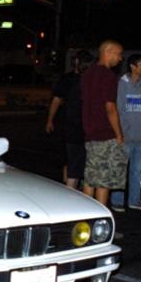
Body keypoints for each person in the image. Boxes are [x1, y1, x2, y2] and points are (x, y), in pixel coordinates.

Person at [81, 40, 127, 209]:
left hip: (90, 133)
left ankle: (87, 213)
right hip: (105, 134)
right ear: (108, 51)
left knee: (91, 177)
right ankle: (101, 216)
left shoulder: (88, 74)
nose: (120, 58)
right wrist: (119, 134)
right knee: (104, 180)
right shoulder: (108, 76)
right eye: (119, 54)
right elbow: (110, 108)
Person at [110, 54, 141, 212]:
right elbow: (118, 110)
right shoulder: (121, 85)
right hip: (125, 137)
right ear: (132, 66)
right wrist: (122, 132)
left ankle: (134, 200)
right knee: (120, 169)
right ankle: (117, 200)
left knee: (136, 170)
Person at [45, 50, 92, 189]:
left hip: (86, 127)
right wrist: (50, 120)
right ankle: (69, 190)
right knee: (71, 161)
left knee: (80, 164)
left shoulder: (90, 79)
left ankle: (73, 188)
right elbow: (56, 100)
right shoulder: (67, 79)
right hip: (72, 126)